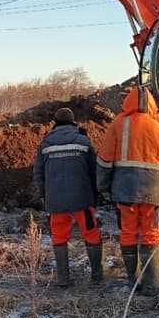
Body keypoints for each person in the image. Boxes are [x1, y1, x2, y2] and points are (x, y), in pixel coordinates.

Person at [96, 86, 159, 294]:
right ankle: (152, 282)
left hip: (124, 190)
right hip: (152, 190)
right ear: (151, 105)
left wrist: (103, 187)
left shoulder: (118, 125)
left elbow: (104, 160)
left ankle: (133, 280)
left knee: (128, 231)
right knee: (151, 232)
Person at [33, 107, 102, 287]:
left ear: (55, 122)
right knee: (91, 233)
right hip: (82, 199)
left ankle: (64, 279)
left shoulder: (46, 143)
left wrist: (44, 195)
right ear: (73, 122)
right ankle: (97, 276)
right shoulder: (83, 141)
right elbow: (95, 170)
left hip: (55, 200)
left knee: (59, 236)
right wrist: (97, 194)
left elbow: (38, 174)